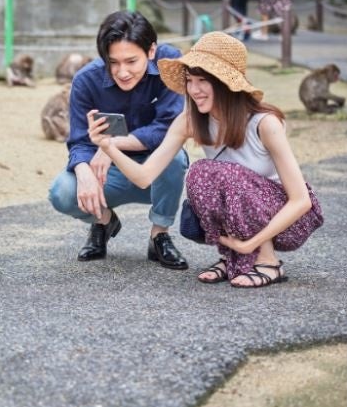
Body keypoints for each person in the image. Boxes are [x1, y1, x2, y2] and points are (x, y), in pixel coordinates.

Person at [86, 31, 323, 287]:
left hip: (287, 221)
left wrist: (251, 244)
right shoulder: (190, 120)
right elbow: (144, 177)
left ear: (225, 82)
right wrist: (108, 147)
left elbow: (301, 201)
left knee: (221, 173)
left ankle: (267, 261)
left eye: (202, 81)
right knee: (201, 172)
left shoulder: (264, 124)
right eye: (189, 80)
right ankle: (232, 258)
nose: (193, 89)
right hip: (245, 216)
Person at [46, 11, 189, 270]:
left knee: (175, 158)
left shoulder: (171, 63)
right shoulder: (86, 80)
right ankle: (103, 221)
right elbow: (79, 141)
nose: (122, 72)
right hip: (107, 173)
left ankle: (159, 235)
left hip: (154, 171)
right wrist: (84, 173)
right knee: (62, 191)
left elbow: (167, 129)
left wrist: (112, 146)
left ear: (151, 50)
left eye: (131, 61)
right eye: (113, 62)